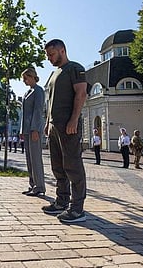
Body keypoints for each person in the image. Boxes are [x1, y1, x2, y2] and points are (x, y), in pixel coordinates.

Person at [42, 39, 88, 223]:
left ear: (62, 50)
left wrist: (74, 119)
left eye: (51, 54)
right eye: (47, 55)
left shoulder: (75, 69)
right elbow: (50, 102)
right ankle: (61, 201)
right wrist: (47, 123)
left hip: (68, 126)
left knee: (73, 166)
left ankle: (77, 209)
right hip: (54, 126)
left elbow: (81, 94)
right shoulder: (54, 74)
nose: (49, 58)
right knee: (58, 166)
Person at [19, 67, 45, 197]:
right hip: (27, 130)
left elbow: (38, 111)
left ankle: (39, 186)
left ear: (32, 76)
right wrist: (22, 130)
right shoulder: (27, 92)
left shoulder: (39, 91)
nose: (24, 81)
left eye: (26, 78)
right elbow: (24, 114)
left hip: (34, 129)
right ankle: (32, 184)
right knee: (29, 159)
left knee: (36, 159)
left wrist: (35, 128)